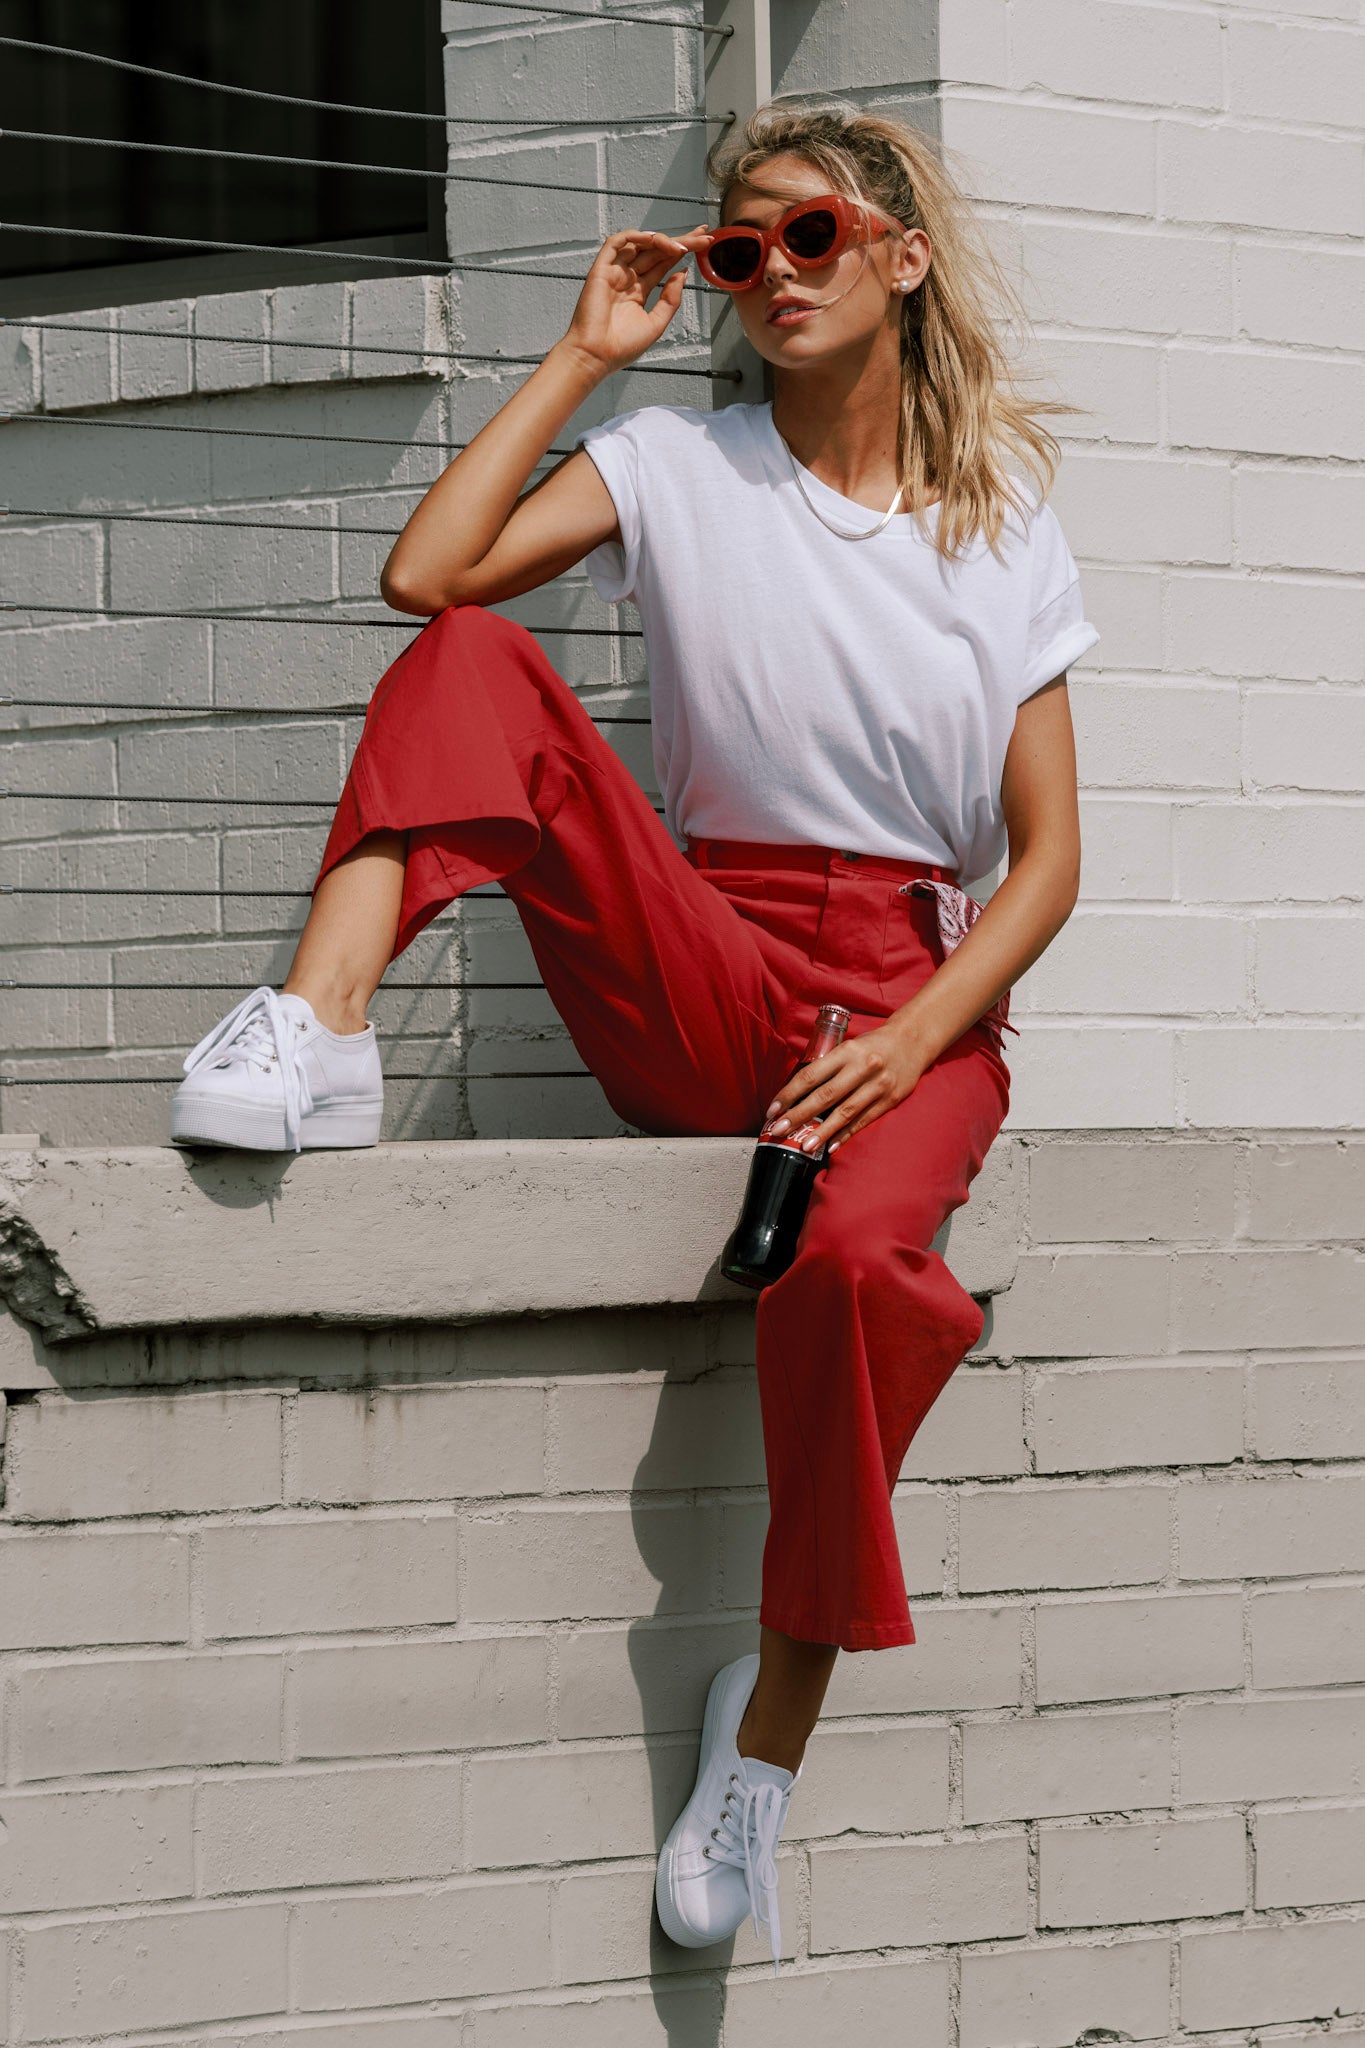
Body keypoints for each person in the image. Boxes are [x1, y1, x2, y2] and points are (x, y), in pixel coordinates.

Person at [170, 100, 1096, 1972]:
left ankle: (761, 1742)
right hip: (715, 955)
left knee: (852, 1271)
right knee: (473, 662)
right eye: (735, 250)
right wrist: (587, 352)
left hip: (913, 1000)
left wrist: (915, 1039)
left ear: (900, 257)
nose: (766, 274)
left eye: (807, 236)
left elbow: (1051, 861)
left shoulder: (1001, 531)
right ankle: (315, 1020)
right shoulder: (677, 457)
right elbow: (427, 585)